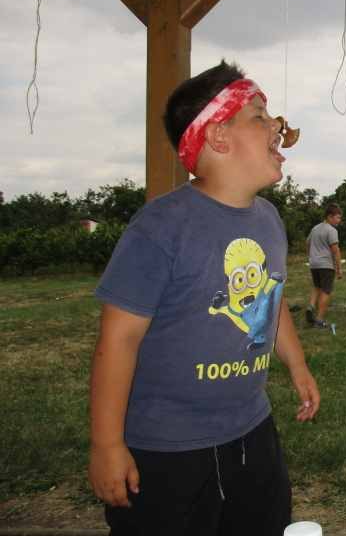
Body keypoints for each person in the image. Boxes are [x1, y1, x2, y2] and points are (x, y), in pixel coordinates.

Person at [88, 61, 320, 536]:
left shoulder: (269, 219)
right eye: (259, 116)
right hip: (166, 448)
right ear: (217, 136)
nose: (278, 126)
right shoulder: (161, 227)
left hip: (251, 429)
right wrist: (107, 445)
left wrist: (297, 366)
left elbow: (271, 300)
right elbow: (118, 340)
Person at [306, 202, 343, 329]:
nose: (339, 220)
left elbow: (307, 243)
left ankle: (310, 307)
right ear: (330, 216)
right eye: (338, 217)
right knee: (326, 291)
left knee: (317, 287)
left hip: (314, 264)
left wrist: (311, 257)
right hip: (326, 265)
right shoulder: (331, 230)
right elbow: (335, 250)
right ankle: (319, 320)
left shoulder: (315, 228)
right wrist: (339, 269)